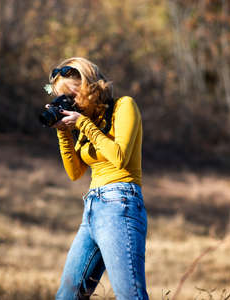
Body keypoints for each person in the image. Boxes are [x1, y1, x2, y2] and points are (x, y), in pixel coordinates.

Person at [47, 57, 149, 300]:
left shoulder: (124, 106)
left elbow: (120, 157)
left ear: (89, 87)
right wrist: (64, 133)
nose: (69, 104)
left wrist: (82, 124)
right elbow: (75, 173)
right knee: (67, 296)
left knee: (130, 295)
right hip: (92, 208)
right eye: (63, 98)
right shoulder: (88, 122)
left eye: (71, 96)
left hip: (120, 203)